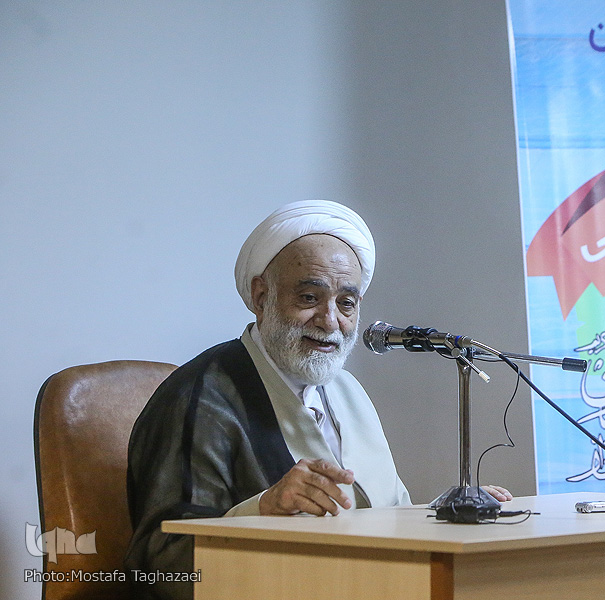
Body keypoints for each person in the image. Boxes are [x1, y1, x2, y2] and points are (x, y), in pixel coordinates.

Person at [124, 200, 511, 599]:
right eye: (309, 298)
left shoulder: (348, 391)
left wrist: (452, 511)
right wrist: (264, 510)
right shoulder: (200, 400)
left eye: (346, 303)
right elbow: (160, 562)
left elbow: (386, 518)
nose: (330, 321)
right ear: (261, 296)